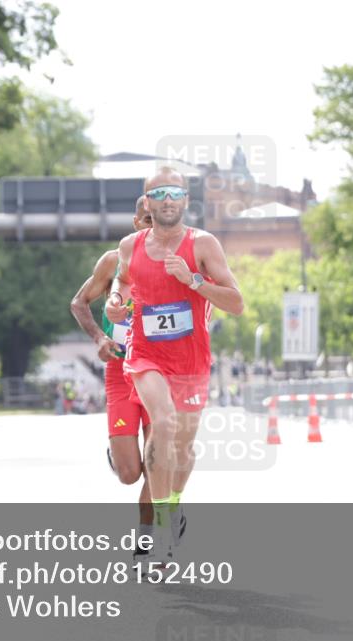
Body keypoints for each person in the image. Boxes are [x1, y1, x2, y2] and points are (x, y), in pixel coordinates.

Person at [106, 167, 244, 565]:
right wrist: (117, 301)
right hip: (146, 354)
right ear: (147, 202)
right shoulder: (130, 246)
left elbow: (236, 303)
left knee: (182, 449)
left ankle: (174, 505)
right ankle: (162, 529)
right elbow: (123, 281)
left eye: (175, 193)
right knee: (162, 422)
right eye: (159, 193)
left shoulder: (203, 245)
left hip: (191, 360)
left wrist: (194, 281)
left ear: (185, 201)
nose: (168, 200)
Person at [70, 196, 155, 561]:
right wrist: (100, 338)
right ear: (137, 222)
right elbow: (79, 302)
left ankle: (148, 538)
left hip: (161, 372)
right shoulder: (114, 261)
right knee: (129, 474)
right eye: (148, 219)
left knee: (159, 462)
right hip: (120, 371)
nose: (156, 227)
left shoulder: (179, 263)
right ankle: (118, 456)